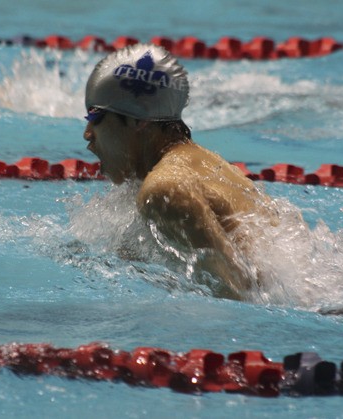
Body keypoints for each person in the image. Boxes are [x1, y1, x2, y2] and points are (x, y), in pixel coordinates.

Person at [83, 43, 278, 300]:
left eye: (95, 118)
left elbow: (238, 297)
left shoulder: (163, 190)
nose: (87, 135)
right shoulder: (206, 163)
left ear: (139, 119)